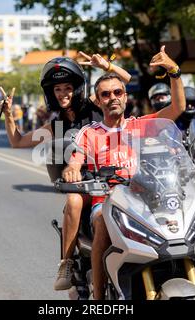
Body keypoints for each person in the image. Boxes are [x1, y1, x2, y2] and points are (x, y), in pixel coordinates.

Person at [62, 45, 185, 299]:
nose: (113, 97)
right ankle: (98, 298)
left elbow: (176, 109)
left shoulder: (140, 125)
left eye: (118, 92)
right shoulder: (90, 133)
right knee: (102, 224)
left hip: (144, 199)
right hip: (106, 201)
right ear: (99, 100)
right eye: (106, 95)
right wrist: (73, 169)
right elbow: (76, 159)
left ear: (126, 97)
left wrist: (173, 71)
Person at [2, 52, 132, 291]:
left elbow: (126, 80)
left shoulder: (94, 106)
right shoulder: (56, 125)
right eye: (58, 89)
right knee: (73, 202)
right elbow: (17, 142)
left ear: (77, 89)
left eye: (67, 88)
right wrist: (9, 115)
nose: (63, 94)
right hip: (84, 187)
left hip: (118, 180)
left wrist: (107, 66)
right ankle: (67, 263)